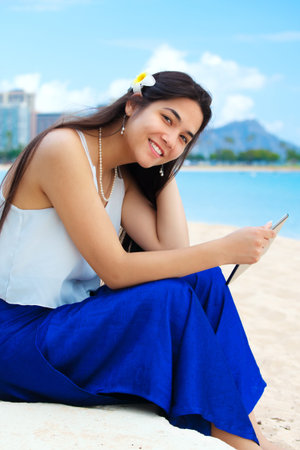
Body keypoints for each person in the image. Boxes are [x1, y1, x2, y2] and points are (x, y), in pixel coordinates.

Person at [0, 71, 279, 449]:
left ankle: (246, 430)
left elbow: (175, 253)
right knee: (172, 298)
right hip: (17, 335)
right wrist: (225, 247)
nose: (172, 137)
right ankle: (241, 438)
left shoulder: (118, 178)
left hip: (64, 329)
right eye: (167, 119)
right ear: (132, 104)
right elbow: (115, 271)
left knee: (205, 278)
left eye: (185, 137)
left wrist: (164, 160)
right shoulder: (63, 149)